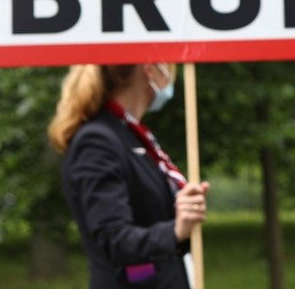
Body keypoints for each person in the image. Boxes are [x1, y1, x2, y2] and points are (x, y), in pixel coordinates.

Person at [48, 63, 209, 289]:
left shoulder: (129, 135)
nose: (172, 75)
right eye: (168, 66)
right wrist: (175, 230)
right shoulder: (96, 141)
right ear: (150, 70)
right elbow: (114, 239)